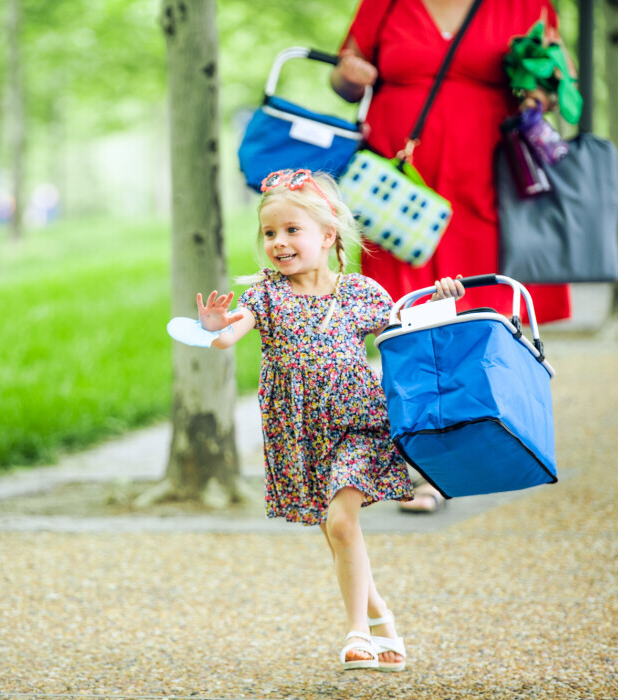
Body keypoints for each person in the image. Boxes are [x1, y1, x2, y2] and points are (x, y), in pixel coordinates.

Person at [189, 169, 465, 672]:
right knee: (339, 532)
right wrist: (212, 327)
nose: (279, 242)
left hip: (358, 423)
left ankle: (357, 633)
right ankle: (384, 624)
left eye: (293, 230)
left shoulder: (362, 293)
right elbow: (229, 336)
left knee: (341, 521)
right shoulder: (265, 296)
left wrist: (443, 302)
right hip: (296, 429)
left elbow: (413, 336)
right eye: (270, 233)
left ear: (327, 234)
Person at [330, 0, 573, 513]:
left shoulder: (527, 6)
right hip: (403, 187)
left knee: (475, 314)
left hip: (485, 178)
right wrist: (350, 77)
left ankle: (480, 447)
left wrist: (542, 88)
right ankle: (419, 462)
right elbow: (344, 79)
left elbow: (560, 86)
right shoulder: (386, 5)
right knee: (405, 318)